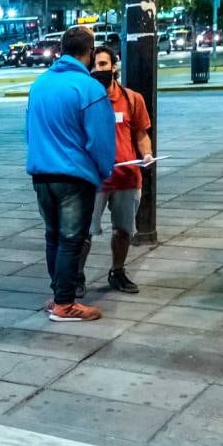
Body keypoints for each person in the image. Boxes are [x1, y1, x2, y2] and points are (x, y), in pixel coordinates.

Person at [26, 27, 116, 321]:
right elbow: (100, 140)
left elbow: (28, 131)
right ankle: (65, 304)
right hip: (74, 177)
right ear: (89, 53)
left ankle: (57, 296)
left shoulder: (39, 84)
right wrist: (103, 172)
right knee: (70, 240)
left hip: (42, 175)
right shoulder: (88, 88)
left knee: (53, 237)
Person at [80, 47, 151, 296]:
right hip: (94, 180)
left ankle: (117, 272)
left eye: (103, 64)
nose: (99, 69)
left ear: (114, 67)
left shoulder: (132, 99)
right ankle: (77, 277)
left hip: (127, 177)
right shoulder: (85, 99)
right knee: (84, 232)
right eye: (95, 65)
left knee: (123, 230)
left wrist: (147, 155)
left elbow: (141, 134)